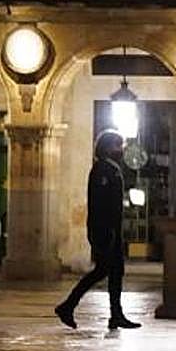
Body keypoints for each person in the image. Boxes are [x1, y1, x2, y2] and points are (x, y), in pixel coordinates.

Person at [54, 130, 141, 330]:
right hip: (106, 230)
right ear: (108, 147)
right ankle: (69, 306)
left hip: (111, 229)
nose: (121, 150)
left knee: (114, 272)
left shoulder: (111, 169)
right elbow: (101, 204)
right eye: (117, 146)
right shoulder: (102, 170)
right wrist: (107, 231)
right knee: (103, 271)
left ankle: (113, 314)